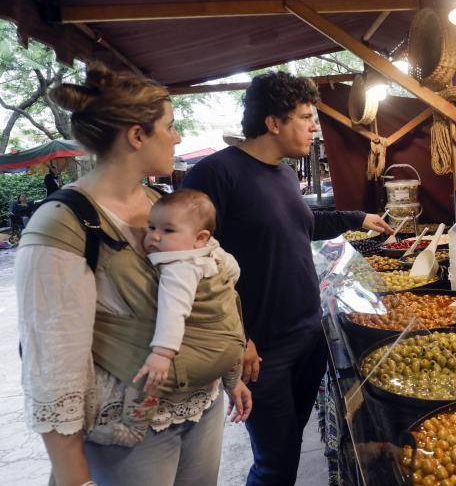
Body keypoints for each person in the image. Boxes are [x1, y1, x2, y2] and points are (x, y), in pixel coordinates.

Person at [16, 64, 250, 486]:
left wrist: (233, 360)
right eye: (170, 126)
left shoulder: (161, 202)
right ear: (137, 136)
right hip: (130, 427)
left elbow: (213, 284)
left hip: (203, 401)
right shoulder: (63, 224)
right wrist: (74, 477)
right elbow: (52, 365)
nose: (177, 137)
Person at [184, 71, 393, 485]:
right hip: (262, 352)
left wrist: (358, 219)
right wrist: (237, 338)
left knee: (290, 445)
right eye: (305, 117)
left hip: (307, 335)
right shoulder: (215, 174)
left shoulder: (281, 172)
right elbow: (192, 266)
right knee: (274, 464)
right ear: (273, 123)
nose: (314, 127)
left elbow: (299, 224)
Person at [132, 189, 248, 416]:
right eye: (151, 227)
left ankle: (136, 418)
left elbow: (172, 313)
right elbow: (234, 269)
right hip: (232, 339)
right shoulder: (210, 251)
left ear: (199, 238)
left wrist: (162, 354)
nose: (155, 236)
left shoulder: (178, 269)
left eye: (168, 230)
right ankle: (233, 379)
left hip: (200, 357)